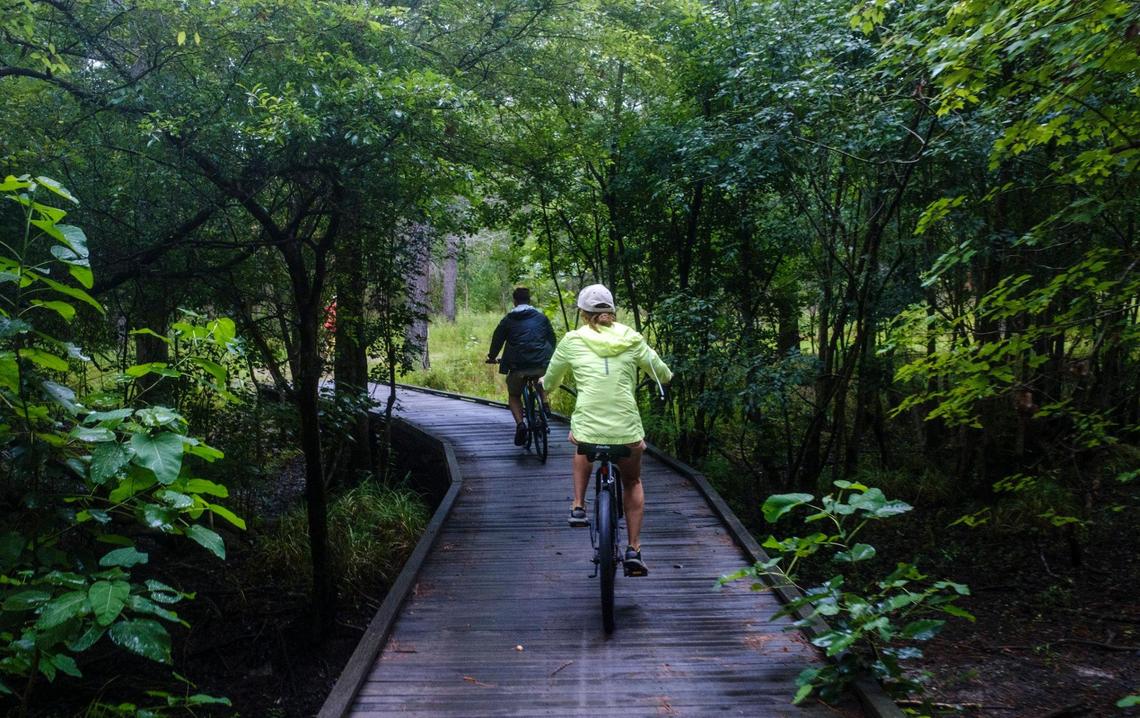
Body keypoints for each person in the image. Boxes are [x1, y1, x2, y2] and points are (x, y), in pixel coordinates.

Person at [541, 284, 672, 576]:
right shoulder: (632, 339)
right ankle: (634, 549)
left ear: (583, 313)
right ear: (611, 310)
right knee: (632, 481)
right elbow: (662, 373)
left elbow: (549, 380)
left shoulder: (572, 340)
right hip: (626, 429)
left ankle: (578, 505)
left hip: (589, 427)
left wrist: (546, 389)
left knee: (580, 440)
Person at [487, 287, 557, 446]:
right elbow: (552, 339)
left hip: (518, 367)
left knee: (514, 395)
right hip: (541, 363)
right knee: (541, 383)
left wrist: (492, 357)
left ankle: (520, 425)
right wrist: (550, 356)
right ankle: (544, 403)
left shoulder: (507, 320)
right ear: (529, 300)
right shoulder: (541, 318)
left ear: (514, 301)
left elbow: (497, 340)